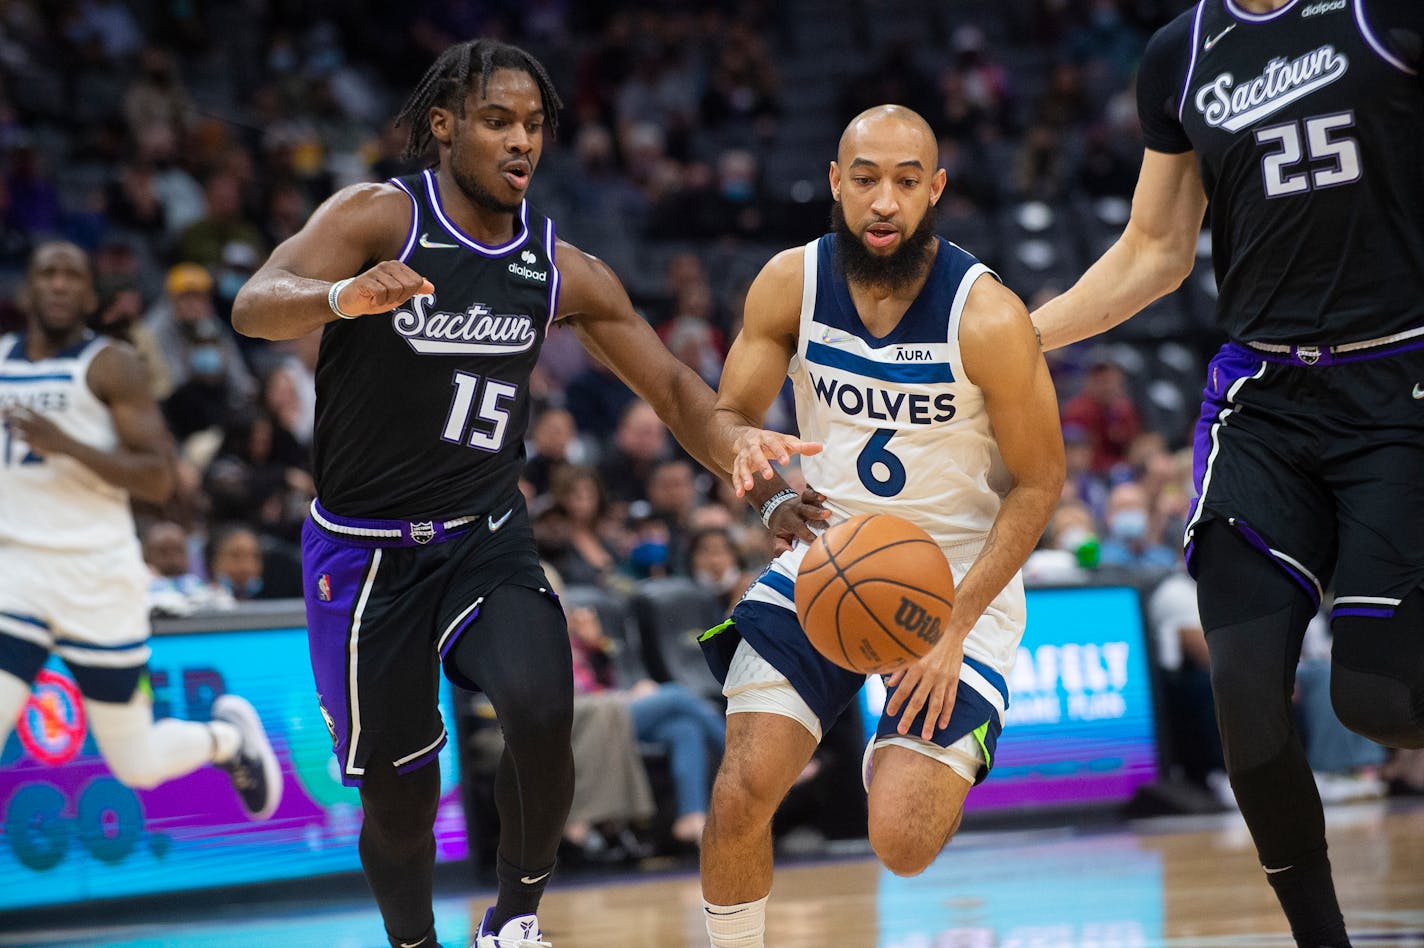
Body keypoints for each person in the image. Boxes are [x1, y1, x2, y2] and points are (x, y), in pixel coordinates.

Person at [230, 39, 824, 948]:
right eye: (498, 122)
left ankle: (513, 925)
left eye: (534, 126)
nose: (521, 143)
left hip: (484, 534)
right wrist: (341, 295)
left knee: (546, 712)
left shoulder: (559, 267)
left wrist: (755, 479)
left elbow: (671, 388)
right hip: (363, 552)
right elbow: (256, 299)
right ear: (444, 127)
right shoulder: (380, 217)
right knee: (400, 799)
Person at [1030, 4, 1424, 945]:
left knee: (1375, 701)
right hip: (1266, 400)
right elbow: (1157, 250)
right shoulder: (1182, 50)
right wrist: (1017, 339)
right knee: (1248, 704)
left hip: (1400, 381)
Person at [696, 105, 1065, 948]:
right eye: (865, 179)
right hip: (829, 558)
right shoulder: (790, 282)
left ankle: (908, 741)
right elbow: (728, 418)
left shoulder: (988, 316)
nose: (884, 202)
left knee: (900, 842)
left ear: (936, 189)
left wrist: (954, 628)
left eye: (906, 181)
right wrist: (763, 491)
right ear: (836, 182)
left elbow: (1042, 481)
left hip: (957, 586)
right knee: (742, 790)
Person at [0, 242, 280, 821]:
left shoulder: (110, 365)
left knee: (137, 763)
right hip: (16, 575)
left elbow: (158, 481)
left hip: (96, 575)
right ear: (27, 289)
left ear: (87, 293)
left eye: (71, 274)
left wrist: (67, 445)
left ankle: (226, 739)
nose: (57, 284)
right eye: (46, 273)